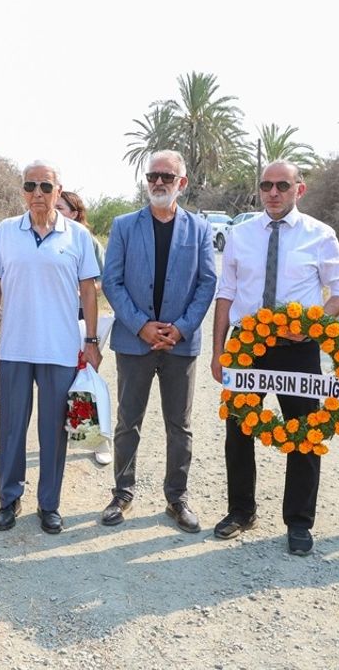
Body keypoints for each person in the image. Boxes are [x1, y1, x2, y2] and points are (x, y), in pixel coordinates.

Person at [209, 160, 339, 556]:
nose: (273, 193)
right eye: (266, 185)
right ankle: (240, 511)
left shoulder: (320, 235)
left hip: (298, 351)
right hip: (245, 349)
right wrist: (218, 350)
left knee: (304, 433)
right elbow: (226, 293)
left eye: (282, 186)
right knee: (239, 432)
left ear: (299, 190)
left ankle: (299, 521)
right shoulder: (240, 235)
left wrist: (313, 324)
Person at [0, 161, 101, 535]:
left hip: (60, 349)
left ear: (58, 190)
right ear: (22, 191)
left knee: (54, 431)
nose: (38, 193)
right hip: (16, 347)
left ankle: (49, 504)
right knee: (12, 428)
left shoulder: (77, 236)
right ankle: (9, 499)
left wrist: (92, 340)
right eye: (30, 186)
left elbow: (88, 291)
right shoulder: (6, 231)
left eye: (45, 187)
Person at [100, 150, 216, 533]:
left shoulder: (199, 229)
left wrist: (180, 328)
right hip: (135, 343)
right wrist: (141, 326)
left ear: (182, 183)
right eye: (153, 176)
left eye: (167, 176)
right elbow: (112, 282)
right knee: (127, 422)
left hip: (180, 345)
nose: (159, 182)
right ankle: (122, 492)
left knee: (179, 425)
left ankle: (177, 498)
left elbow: (206, 283)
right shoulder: (123, 226)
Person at [55, 190, 112, 467]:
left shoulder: (85, 239)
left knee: (85, 378)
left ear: (75, 213)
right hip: (56, 318)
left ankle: (97, 440)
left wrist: (86, 289)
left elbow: (105, 278)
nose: (56, 212)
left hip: (83, 319)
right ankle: (71, 434)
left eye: (61, 208)